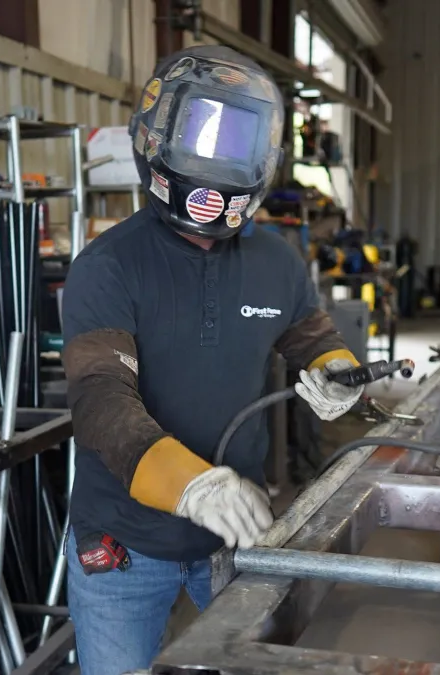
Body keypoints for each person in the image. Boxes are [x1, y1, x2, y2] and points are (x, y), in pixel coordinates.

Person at [58, 45, 364, 675]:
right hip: (124, 540)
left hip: (235, 535)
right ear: (156, 132)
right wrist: (191, 484)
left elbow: (309, 336)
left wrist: (335, 369)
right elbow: (100, 401)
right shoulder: (106, 267)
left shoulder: (277, 261)